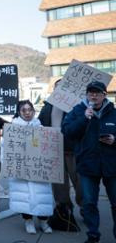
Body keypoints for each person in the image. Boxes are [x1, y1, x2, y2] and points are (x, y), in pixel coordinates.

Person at [62, 81, 116, 243]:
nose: (94, 95)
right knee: (89, 203)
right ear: (86, 94)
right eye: (91, 92)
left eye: (98, 93)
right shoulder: (78, 111)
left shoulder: (113, 113)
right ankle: (93, 235)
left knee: (115, 203)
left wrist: (114, 140)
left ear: (104, 95)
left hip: (111, 165)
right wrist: (84, 118)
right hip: (87, 165)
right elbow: (68, 131)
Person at [39, 79, 82, 232]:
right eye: (57, 87)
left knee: (80, 183)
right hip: (54, 152)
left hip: (73, 151)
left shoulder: (77, 106)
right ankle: (65, 210)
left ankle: (84, 205)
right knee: (59, 186)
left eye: (63, 87)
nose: (60, 90)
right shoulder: (47, 106)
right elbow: (40, 125)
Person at [9, 100, 53, 235]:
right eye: (24, 110)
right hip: (21, 169)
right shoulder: (12, 130)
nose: (27, 113)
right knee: (24, 197)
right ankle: (28, 221)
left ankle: (44, 221)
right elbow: (7, 150)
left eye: (30, 110)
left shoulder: (41, 128)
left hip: (39, 169)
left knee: (42, 197)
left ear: (34, 111)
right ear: (19, 112)